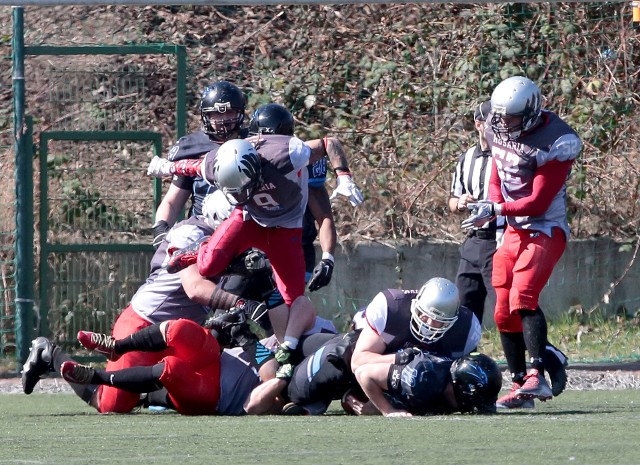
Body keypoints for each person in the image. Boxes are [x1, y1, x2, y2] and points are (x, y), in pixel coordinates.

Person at [21, 191, 272, 413]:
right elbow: (195, 288)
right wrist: (241, 304)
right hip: (147, 322)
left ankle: (145, 390)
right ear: (220, 220)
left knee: (198, 384)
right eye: (235, 225)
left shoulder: (222, 241)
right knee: (112, 405)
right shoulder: (190, 233)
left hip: (183, 332)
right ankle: (50, 353)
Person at [461, 75, 582, 409]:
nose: (502, 122)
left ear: (529, 113)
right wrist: (492, 205)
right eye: (499, 115)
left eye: (510, 116)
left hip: (545, 228)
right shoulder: (496, 122)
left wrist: (496, 208)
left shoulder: (556, 140)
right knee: (502, 310)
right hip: (514, 229)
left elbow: (538, 202)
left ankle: (537, 375)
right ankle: (520, 386)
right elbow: (499, 170)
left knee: (523, 297)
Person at [150, 81, 248, 249]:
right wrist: (161, 229)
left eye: (229, 112)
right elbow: (172, 202)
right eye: (216, 114)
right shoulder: (192, 147)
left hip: (248, 227)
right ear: (206, 116)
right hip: (204, 231)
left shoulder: (254, 142)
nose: (223, 119)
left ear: (240, 113)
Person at [350, 277, 482, 374]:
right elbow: (358, 361)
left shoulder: (465, 327)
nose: (429, 324)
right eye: (424, 315)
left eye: (438, 320)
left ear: (452, 320)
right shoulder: (392, 310)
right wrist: (401, 358)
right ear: (415, 306)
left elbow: (467, 373)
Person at [350, 351, 502, 417]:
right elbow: (363, 373)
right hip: (347, 374)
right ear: (457, 387)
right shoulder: (421, 378)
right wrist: (387, 409)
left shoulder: (451, 388)